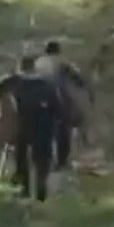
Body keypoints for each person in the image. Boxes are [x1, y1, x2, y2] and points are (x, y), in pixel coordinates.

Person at [0, 54, 64, 202]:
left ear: (21, 67)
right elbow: (58, 107)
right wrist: (57, 121)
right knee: (43, 156)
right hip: (44, 122)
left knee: (21, 155)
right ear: (34, 67)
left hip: (24, 121)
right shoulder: (47, 83)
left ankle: (25, 188)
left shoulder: (15, 80)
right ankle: (41, 184)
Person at [34, 40, 90, 171]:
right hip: (58, 98)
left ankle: (41, 159)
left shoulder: (38, 62)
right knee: (63, 129)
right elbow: (77, 78)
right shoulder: (62, 62)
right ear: (58, 51)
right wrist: (83, 85)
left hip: (38, 96)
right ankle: (61, 161)